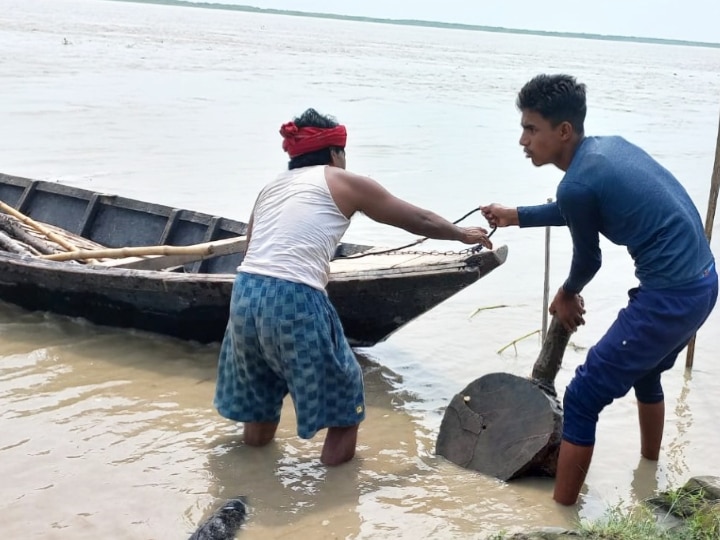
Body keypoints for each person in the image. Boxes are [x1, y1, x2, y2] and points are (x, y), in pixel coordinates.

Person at [481, 74, 717, 505]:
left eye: (532, 129)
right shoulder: (606, 150)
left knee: (584, 393)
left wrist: (567, 293)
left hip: (670, 297)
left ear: (563, 131)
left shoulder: (577, 183)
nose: (523, 140)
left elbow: (589, 257)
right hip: (703, 283)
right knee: (648, 372)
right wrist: (515, 215)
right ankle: (649, 473)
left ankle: (560, 515)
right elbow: (578, 207)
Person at [214, 108, 492, 466]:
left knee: (260, 401)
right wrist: (461, 233)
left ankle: (253, 480)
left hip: (245, 292)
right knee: (345, 402)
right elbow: (417, 219)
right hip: (293, 296)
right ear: (334, 153)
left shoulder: (271, 188)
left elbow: (253, 247)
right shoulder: (342, 181)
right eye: (343, 154)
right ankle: (337, 499)